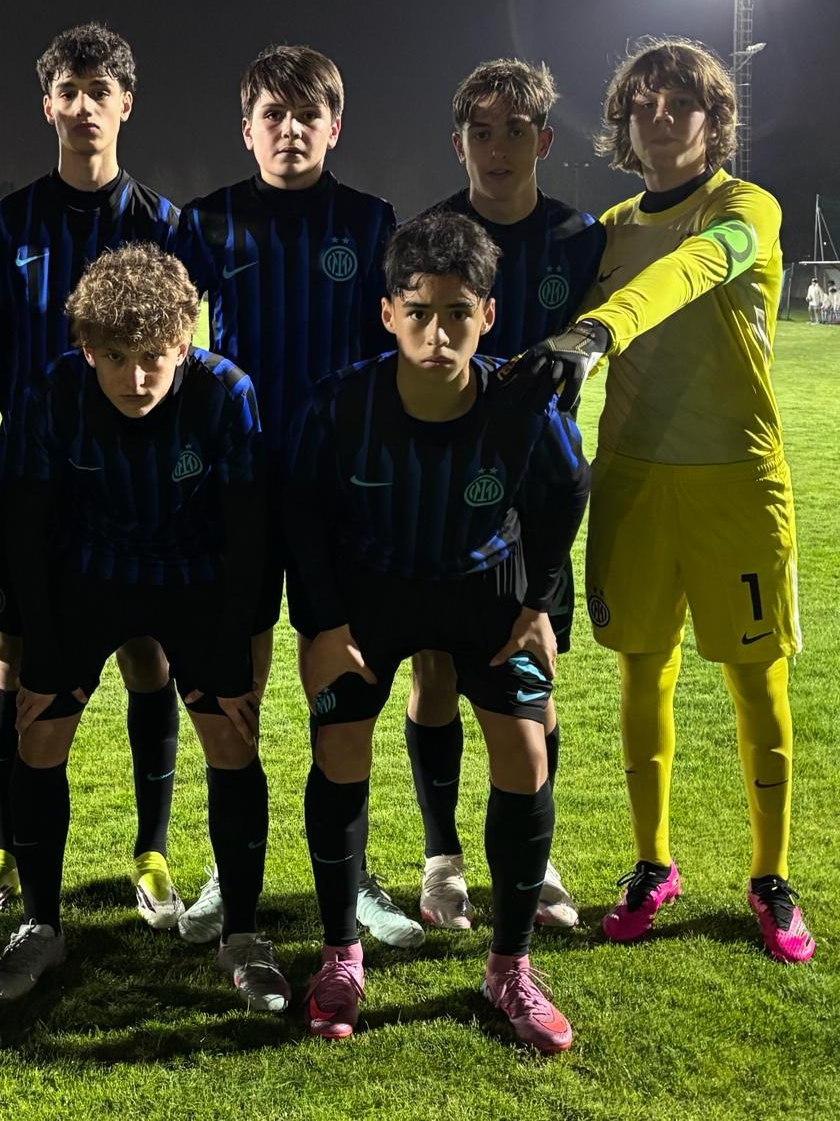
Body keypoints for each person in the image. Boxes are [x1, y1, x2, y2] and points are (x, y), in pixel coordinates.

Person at [507, 38, 811, 963]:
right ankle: (652, 864)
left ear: (716, 120)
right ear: (623, 125)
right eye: (643, 103)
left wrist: (600, 327)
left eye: (682, 102)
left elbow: (691, 271)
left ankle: (770, 876)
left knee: (756, 680)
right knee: (643, 674)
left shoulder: (745, 208)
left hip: (735, 480)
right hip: (633, 481)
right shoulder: (608, 228)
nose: (662, 116)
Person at [293, 212, 589, 1053]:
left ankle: (509, 966)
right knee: (339, 747)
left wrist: (537, 603)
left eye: (458, 313)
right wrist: (322, 625)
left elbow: (567, 490)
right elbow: (302, 514)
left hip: (484, 590)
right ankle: (341, 955)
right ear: (388, 312)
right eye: (418, 312)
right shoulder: (339, 404)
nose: (437, 333)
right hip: (373, 593)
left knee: (526, 755)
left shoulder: (520, 401)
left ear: (487, 316)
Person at [0, 243, 285, 1011]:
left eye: (153, 357)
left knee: (232, 738)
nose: (137, 378)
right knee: (39, 734)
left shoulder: (226, 393)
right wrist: (31, 643)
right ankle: (41, 926)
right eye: (115, 358)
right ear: (87, 348)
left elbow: (253, 531)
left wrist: (246, 647)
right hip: (88, 579)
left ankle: (243, 935)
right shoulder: (51, 392)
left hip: (196, 580)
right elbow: (18, 525)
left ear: (184, 342)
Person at [170, 43, 400, 947]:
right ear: (247, 129)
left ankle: (354, 871)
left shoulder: (370, 221)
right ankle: (229, 873)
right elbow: (164, 339)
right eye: (274, 115)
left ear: (335, 128)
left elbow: (396, 348)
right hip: (238, 486)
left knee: (343, 682)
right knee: (237, 685)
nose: (291, 130)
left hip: (341, 488)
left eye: (308, 116)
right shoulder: (208, 220)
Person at [0, 23, 184, 932]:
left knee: (149, 654)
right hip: (34, 479)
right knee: (15, 659)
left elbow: (181, 351)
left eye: (102, 91)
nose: (85, 105)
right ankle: (5, 848)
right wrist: (36, 430)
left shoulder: (166, 225)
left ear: (125, 105)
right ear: (48, 105)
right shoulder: (7, 224)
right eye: (70, 90)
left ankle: (153, 850)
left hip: (138, 485)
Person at [403, 58, 606, 934]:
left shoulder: (580, 238)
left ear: (544, 141)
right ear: (458, 142)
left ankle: (533, 854)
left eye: (515, 131)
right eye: (480, 131)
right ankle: (442, 857)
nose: (497, 148)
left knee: (532, 671)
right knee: (436, 669)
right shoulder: (427, 235)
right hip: (445, 491)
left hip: (542, 488)